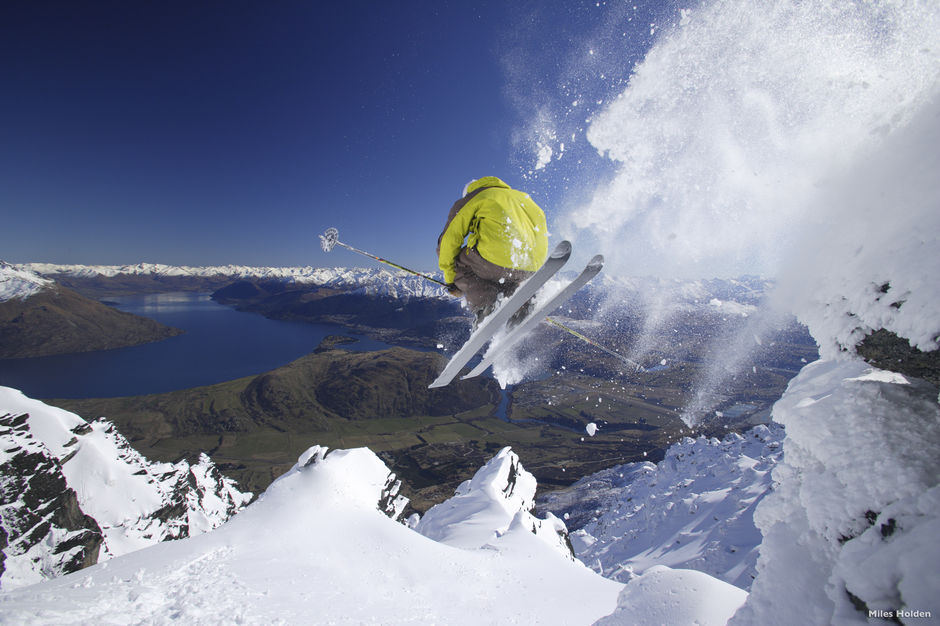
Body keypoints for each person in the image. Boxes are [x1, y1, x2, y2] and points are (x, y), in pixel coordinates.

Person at [437, 176, 548, 328]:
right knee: (505, 277)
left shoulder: (474, 197)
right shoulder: (523, 198)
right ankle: (521, 306)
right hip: (532, 265)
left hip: (497, 260)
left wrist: (451, 280)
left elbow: (449, 241)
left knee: (461, 263)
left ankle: (485, 307)